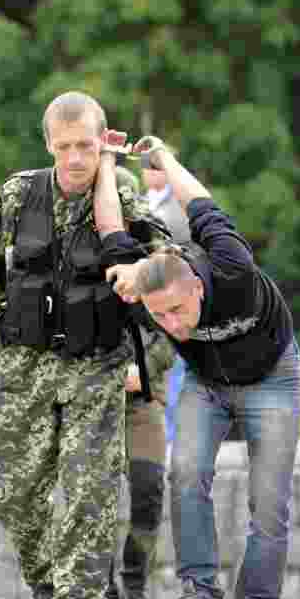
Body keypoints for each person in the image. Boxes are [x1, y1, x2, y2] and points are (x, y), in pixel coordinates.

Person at [0, 92, 161, 599]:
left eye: (85, 146)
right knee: (20, 496)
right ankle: (43, 586)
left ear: (102, 141)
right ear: (48, 146)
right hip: (25, 369)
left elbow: (165, 277)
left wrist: (148, 361)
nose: (74, 159)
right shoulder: (19, 194)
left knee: (90, 491)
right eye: (63, 147)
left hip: (97, 367)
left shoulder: (124, 199)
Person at [106, 136, 300, 599]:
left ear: (195, 285)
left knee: (269, 497)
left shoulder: (230, 265)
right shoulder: (145, 288)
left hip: (272, 375)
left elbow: (200, 205)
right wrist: (107, 162)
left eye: (178, 310)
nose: (172, 324)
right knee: (187, 473)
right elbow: (110, 231)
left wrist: (166, 160)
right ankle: (199, 592)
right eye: (160, 317)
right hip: (207, 382)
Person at [94, 165, 174, 599]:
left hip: (143, 399)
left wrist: (140, 371)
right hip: (91, 400)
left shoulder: (156, 259)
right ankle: (101, 595)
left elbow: (173, 332)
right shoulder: (82, 256)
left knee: (148, 490)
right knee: (95, 497)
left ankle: (136, 585)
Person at [141, 162, 191, 451]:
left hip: (172, 292)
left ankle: (174, 433)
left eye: (157, 167)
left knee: (177, 367)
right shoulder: (137, 200)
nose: (151, 173)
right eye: (147, 167)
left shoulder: (180, 205)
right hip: (145, 297)